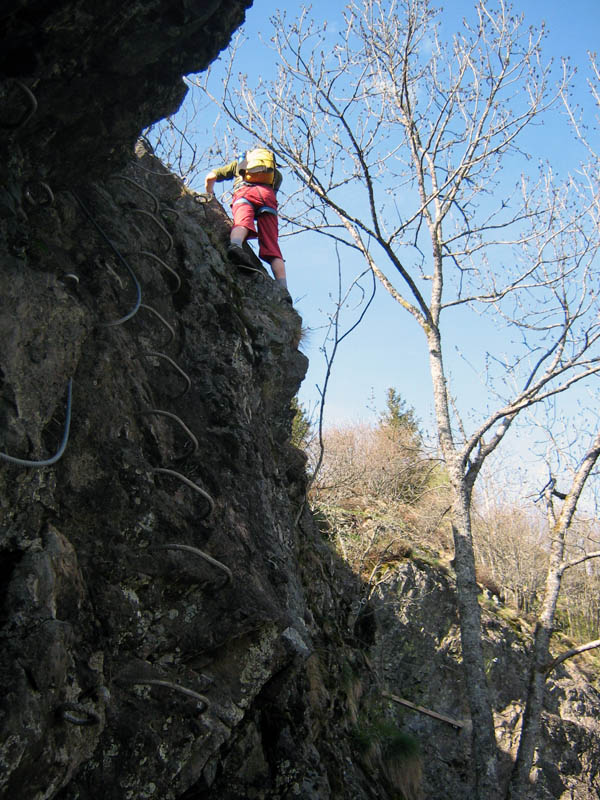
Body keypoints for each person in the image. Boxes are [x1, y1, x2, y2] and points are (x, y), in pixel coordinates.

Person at [204, 148, 290, 300]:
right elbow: (270, 193)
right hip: (268, 198)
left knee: (242, 223)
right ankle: (284, 290)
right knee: (272, 245)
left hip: (245, 192)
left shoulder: (240, 164)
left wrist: (209, 195)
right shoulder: (276, 175)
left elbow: (210, 177)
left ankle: (235, 246)